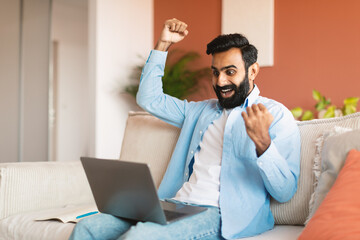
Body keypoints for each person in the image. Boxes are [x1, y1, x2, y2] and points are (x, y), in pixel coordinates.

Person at [69, 18, 300, 240]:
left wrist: (263, 143)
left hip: (220, 215)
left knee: (141, 237)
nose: (220, 82)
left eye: (230, 72)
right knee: (88, 228)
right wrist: (163, 45)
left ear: (252, 71)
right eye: (215, 72)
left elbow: (285, 191)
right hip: (175, 205)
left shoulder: (276, 116)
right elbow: (149, 99)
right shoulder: (199, 111)